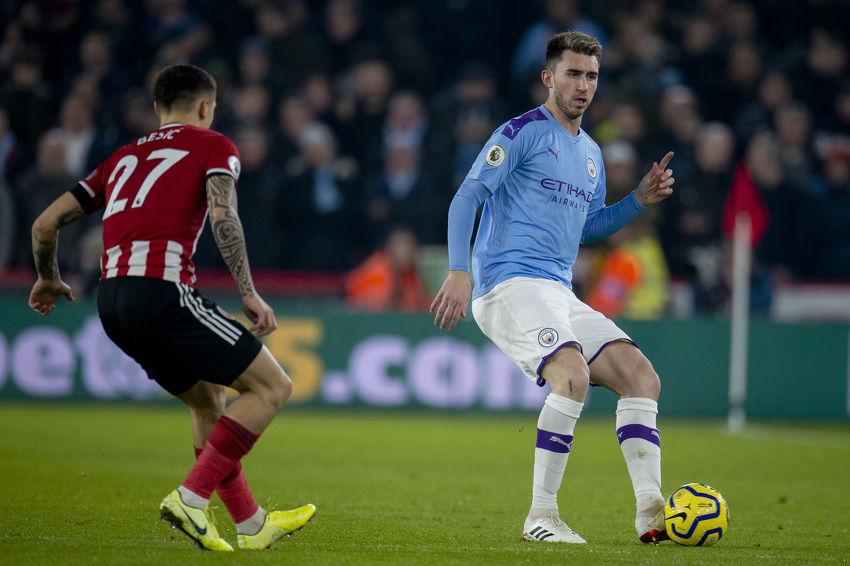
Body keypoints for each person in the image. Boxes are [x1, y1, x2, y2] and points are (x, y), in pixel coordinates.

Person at [27, 64, 315, 551]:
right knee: (272, 387)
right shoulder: (214, 145)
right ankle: (192, 497)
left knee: (208, 401)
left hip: (111, 301)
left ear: (158, 110)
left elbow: (44, 224)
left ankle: (250, 524)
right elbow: (224, 214)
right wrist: (247, 290)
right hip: (160, 291)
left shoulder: (119, 159)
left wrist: (49, 278)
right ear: (206, 106)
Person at [430, 31, 675, 545]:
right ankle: (541, 515)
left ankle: (650, 511)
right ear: (549, 77)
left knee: (640, 376)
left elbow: (584, 228)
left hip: (557, 291)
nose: (582, 86)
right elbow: (467, 198)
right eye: (573, 74)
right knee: (573, 377)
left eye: (591, 76)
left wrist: (636, 200)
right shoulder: (520, 132)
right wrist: (458, 268)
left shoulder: (590, 153)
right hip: (507, 284)